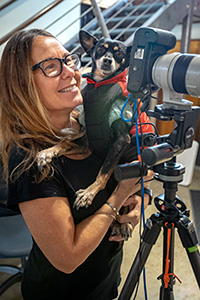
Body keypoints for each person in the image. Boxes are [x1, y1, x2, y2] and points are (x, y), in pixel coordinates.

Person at [0, 29, 154, 300]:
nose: (69, 72)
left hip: (106, 280)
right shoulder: (31, 158)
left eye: (68, 60)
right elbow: (67, 258)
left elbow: (125, 168)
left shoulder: (88, 123)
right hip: (60, 292)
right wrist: (118, 197)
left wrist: (139, 198)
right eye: (50, 66)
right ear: (23, 84)